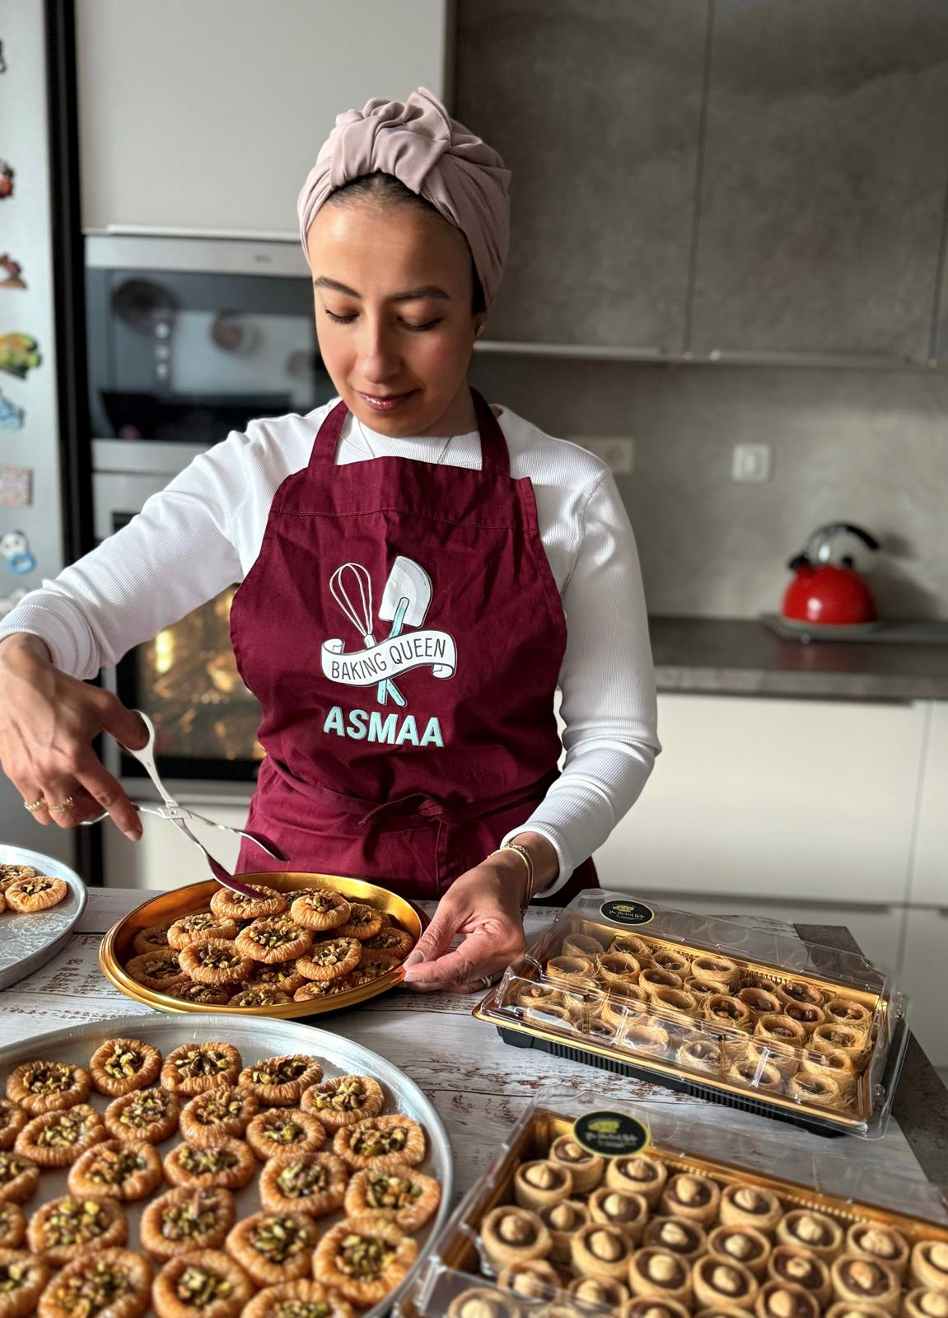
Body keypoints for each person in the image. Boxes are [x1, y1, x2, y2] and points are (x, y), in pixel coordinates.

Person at [0, 89, 660, 992]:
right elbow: (68, 610)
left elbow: (616, 737)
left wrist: (525, 861)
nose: (374, 362)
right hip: (287, 913)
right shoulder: (258, 470)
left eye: (420, 319)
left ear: (478, 307)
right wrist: (17, 662)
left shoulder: (567, 489)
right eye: (340, 312)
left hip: (511, 918)